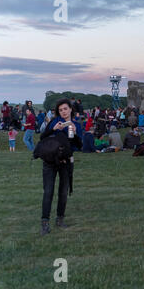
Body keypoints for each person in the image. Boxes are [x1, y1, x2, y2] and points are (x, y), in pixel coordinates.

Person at [39, 98, 83, 236]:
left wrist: (75, 133)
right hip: (50, 162)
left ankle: (60, 219)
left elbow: (80, 146)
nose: (63, 112)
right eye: (60, 110)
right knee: (48, 191)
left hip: (66, 162)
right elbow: (42, 137)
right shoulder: (54, 122)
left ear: (70, 109)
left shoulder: (76, 125)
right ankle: (45, 222)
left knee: (63, 192)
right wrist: (53, 128)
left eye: (65, 109)